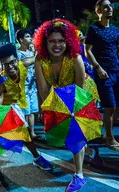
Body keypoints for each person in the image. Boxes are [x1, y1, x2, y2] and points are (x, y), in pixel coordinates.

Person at [33, 18, 103, 192]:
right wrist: (47, 108)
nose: (57, 45)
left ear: (68, 41)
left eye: (61, 41)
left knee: (75, 132)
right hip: (59, 96)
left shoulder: (75, 57)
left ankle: (79, 176)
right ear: (45, 42)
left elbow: (79, 92)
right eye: (52, 41)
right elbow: (42, 89)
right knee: (68, 134)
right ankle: (89, 152)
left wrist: (70, 110)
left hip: (82, 94)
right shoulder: (40, 59)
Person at [0, 43, 53, 174]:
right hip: (7, 109)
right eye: (5, 64)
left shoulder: (23, 64)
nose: (10, 67)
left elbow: (37, 57)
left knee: (21, 136)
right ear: (1, 64)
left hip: (20, 105)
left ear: (17, 59)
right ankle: (36, 158)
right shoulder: (1, 81)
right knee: (17, 136)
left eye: (12, 62)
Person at [85, 0, 119, 151]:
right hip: (103, 73)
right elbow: (88, 50)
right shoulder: (93, 29)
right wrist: (98, 68)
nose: (109, 8)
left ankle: (108, 133)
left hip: (116, 70)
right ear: (98, 11)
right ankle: (109, 138)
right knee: (110, 106)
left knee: (117, 105)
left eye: (110, 6)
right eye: (105, 6)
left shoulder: (115, 30)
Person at [15, 29, 40, 139]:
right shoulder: (17, 53)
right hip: (22, 86)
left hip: (32, 86)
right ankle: (26, 132)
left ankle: (32, 132)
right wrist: (35, 57)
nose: (30, 38)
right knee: (26, 111)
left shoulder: (31, 53)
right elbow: (23, 63)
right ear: (21, 40)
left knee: (33, 110)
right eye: (28, 36)